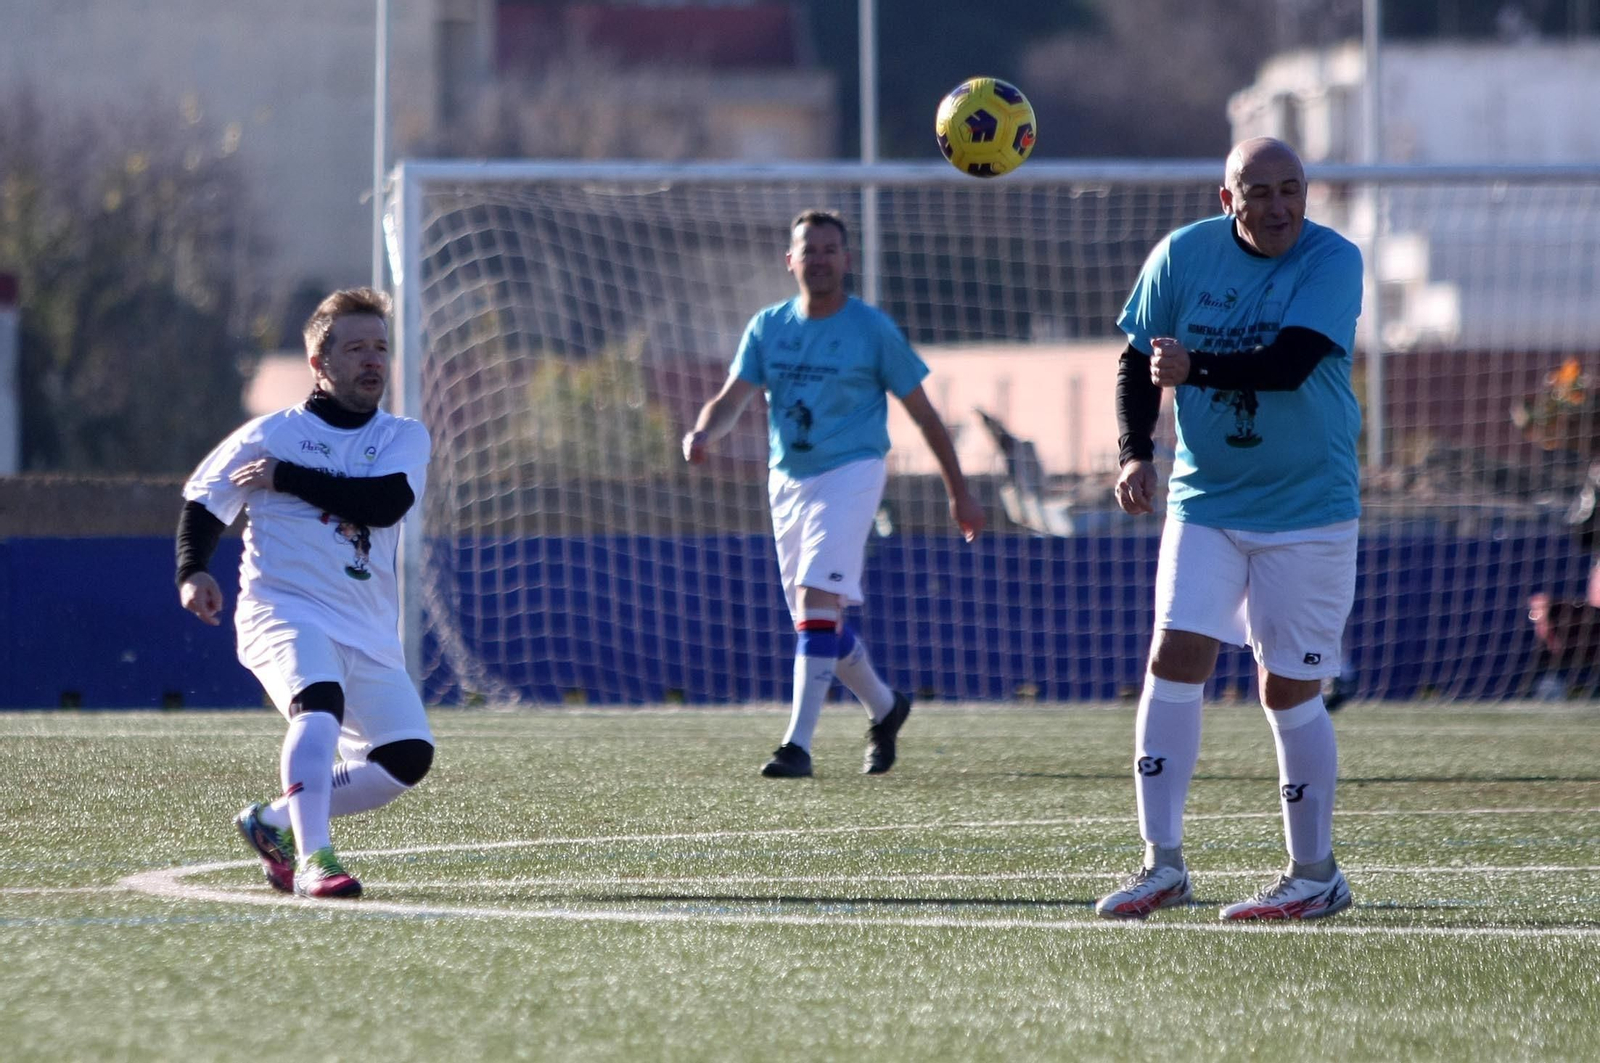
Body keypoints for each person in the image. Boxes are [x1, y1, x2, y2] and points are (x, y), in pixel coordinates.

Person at [1096, 138, 1363, 922]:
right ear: (1227, 199)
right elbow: (1134, 360)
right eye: (1260, 191)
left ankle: (1315, 875)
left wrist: (1195, 371)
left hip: (1309, 509)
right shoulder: (1180, 255)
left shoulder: (1332, 258)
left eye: (1292, 189)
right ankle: (1163, 864)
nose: (1279, 206)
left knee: (1287, 686)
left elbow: (1289, 363)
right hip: (1205, 500)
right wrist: (1134, 453)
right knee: (1172, 657)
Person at [683, 209, 985, 778]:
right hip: (788, 480)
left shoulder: (871, 329)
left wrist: (960, 492)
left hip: (853, 473)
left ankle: (796, 746)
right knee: (815, 622)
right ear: (790, 260)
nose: (819, 259)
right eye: (809, 249)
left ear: (846, 261)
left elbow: (924, 416)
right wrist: (702, 433)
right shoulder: (768, 327)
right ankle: (886, 707)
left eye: (829, 249)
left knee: (817, 598)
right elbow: (729, 400)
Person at [176, 287, 433, 899]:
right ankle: (315, 859)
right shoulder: (270, 434)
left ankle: (270, 822)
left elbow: (384, 504)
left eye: (380, 348)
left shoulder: (402, 436)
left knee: (405, 758)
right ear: (319, 364)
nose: (373, 360)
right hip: (282, 611)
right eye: (356, 349)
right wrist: (193, 570)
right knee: (317, 710)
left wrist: (287, 479)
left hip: (365, 625)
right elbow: (205, 501)